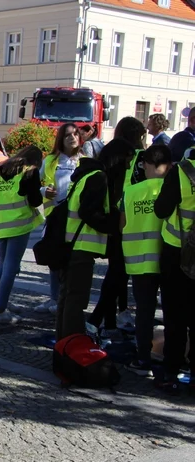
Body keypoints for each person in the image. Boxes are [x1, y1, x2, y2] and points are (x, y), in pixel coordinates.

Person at [56, 139, 134, 340]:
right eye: (126, 162)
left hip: (72, 243)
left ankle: (64, 341)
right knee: (76, 299)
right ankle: (72, 344)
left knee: (67, 297)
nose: (127, 167)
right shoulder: (98, 178)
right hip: (81, 246)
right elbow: (88, 212)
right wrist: (112, 224)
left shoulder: (86, 175)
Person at [86, 117, 147, 337]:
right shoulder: (134, 155)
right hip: (128, 220)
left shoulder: (109, 151)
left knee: (115, 272)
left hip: (112, 218)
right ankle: (96, 320)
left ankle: (109, 324)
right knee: (118, 274)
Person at [0, 146, 45, 324]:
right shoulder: (29, 172)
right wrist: (44, 193)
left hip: (0, 223)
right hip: (19, 222)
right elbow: (35, 200)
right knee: (11, 266)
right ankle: (0, 311)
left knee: (3, 264)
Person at [120, 143, 171, 375]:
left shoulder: (131, 191)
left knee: (144, 311)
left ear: (147, 164)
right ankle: (171, 357)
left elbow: (122, 225)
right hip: (168, 260)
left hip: (138, 261)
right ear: (169, 166)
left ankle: (142, 359)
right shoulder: (173, 188)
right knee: (172, 312)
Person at [152, 136, 195, 395]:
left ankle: (171, 372)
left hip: (178, 251)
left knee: (175, 315)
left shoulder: (181, 171)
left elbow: (161, 210)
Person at [35, 123, 83, 314]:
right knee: (54, 260)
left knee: (73, 261)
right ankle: (54, 297)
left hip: (77, 219)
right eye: (67, 135)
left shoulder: (85, 160)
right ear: (60, 140)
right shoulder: (51, 161)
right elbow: (39, 185)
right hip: (55, 217)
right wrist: (44, 191)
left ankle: (68, 298)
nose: (72, 138)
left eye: (75, 134)